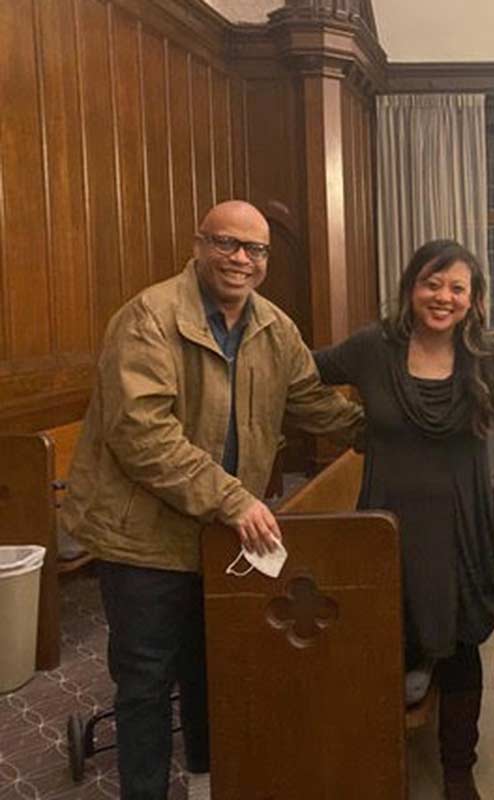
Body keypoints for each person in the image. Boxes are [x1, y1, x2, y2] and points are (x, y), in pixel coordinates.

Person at [60, 200, 365, 800]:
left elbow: (310, 401)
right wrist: (233, 500)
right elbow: (141, 437)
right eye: (227, 244)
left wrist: (389, 427)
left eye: (254, 250)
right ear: (198, 245)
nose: (241, 260)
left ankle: (203, 782)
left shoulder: (275, 328)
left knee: (213, 666)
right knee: (145, 681)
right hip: (142, 538)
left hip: (219, 536)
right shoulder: (148, 317)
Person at [313, 239, 494, 800]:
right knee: (380, 645)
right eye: (431, 283)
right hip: (387, 523)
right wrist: (347, 424)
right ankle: (378, 760)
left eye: (456, 287)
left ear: (474, 298)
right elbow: (300, 375)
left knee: (463, 651)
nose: (443, 296)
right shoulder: (373, 347)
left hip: (461, 524)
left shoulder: (491, 354)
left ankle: (458, 771)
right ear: (411, 287)